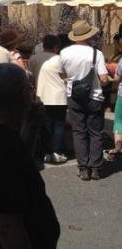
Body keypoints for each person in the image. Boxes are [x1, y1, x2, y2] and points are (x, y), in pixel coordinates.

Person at [0, 63, 60, 249]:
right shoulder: (3, 145)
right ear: (25, 95)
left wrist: (29, 127)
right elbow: (6, 223)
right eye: (30, 89)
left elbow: (17, 169)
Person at [58, 20, 109, 181]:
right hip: (94, 96)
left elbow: (61, 74)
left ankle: (83, 168)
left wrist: (71, 80)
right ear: (89, 36)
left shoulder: (64, 53)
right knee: (95, 132)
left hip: (73, 96)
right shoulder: (96, 54)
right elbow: (104, 79)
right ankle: (96, 168)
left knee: (79, 131)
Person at [36, 39, 67, 165]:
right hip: (58, 97)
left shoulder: (48, 63)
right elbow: (65, 77)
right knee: (59, 124)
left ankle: (47, 153)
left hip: (45, 97)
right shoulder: (60, 60)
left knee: (48, 125)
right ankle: (57, 152)